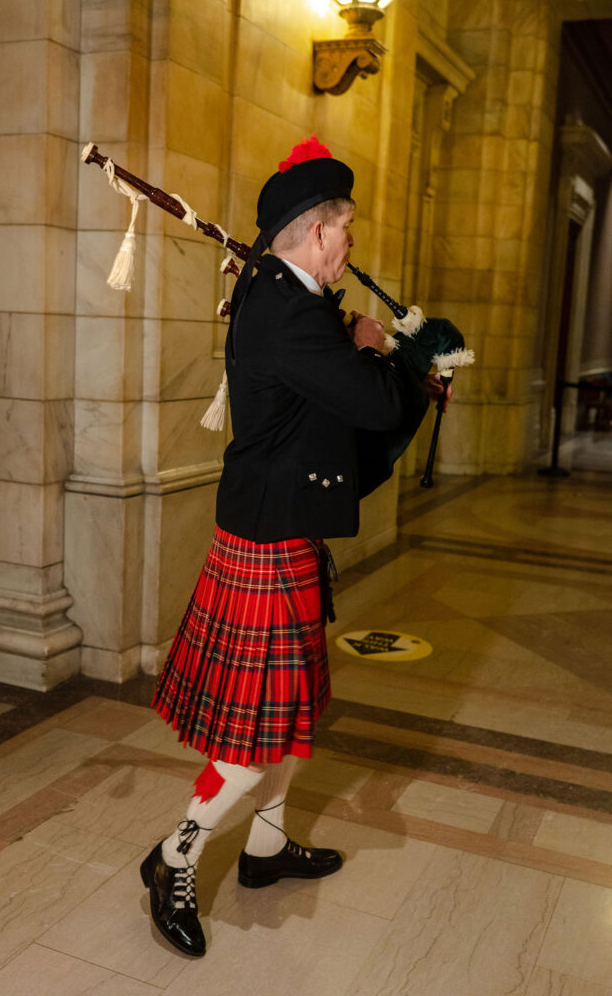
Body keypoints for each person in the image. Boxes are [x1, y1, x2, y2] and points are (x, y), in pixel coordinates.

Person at [141, 136, 436, 958]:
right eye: (344, 231)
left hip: (276, 529)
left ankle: (264, 850)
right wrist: (386, 353)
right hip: (267, 540)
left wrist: (355, 341)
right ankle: (176, 856)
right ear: (314, 231)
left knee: (289, 715)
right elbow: (373, 407)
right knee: (251, 738)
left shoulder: (282, 294)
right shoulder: (288, 312)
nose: (350, 245)